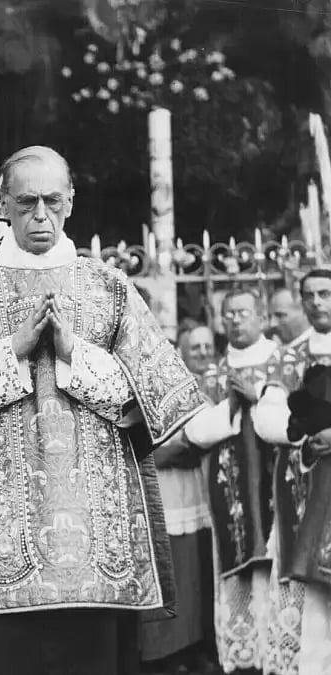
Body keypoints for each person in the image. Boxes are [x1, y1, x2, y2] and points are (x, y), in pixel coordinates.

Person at [0, 146, 206, 675]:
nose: (41, 215)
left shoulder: (111, 288)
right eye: (26, 202)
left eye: (53, 200)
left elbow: (154, 402)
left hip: (99, 542)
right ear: (2, 204)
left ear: (71, 201)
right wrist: (14, 352)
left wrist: (74, 351)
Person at [179, 291, 277, 674]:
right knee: (239, 575)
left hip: (276, 485)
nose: (236, 320)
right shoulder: (214, 374)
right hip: (230, 490)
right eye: (229, 314)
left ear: (261, 316)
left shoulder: (283, 360)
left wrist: (260, 399)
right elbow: (195, 431)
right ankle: (245, 658)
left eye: (243, 312)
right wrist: (232, 408)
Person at [252, 268, 331, 674]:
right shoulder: (291, 355)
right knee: (313, 596)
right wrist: (300, 434)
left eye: (325, 293)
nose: (318, 302)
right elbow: (266, 414)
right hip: (305, 483)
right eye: (310, 296)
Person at [137, 324, 217, 673]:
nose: (202, 353)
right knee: (174, 577)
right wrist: (178, 450)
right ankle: (167, 654)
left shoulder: (211, 389)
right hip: (165, 500)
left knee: (197, 577)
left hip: (199, 497)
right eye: (192, 347)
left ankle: (194, 646)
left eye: (207, 346)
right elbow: (145, 447)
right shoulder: (150, 388)